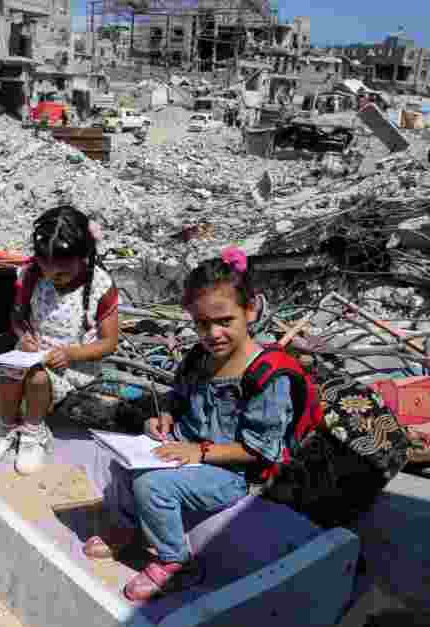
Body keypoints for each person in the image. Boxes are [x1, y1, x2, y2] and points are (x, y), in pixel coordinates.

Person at [83, 247, 300, 603]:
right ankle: (127, 528)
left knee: (153, 485)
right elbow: (180, 400)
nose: (213, 333)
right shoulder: (200, 358)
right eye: (202, 324)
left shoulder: (267, 377)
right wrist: (165, 420)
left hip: (229, 471)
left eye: (225, 321)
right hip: (187, 447)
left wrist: (197, 451)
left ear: (250, 311)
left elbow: (260, 449)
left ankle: (175, 561)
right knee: (126, 463)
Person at [0, 205, 120, 474]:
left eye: (62, 274)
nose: (52, 279)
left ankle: (33, 432)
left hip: (72, 366)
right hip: (33, 354)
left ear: (83, 258)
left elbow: (109, 342)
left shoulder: (101, 285)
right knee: (10, 374)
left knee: (37, 378)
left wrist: (71, 354)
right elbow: (17, 318)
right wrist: (23, 337)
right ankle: (6, 426)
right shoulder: (31, 275)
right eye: (47, 271)